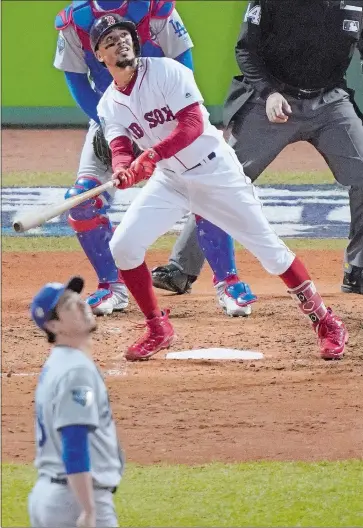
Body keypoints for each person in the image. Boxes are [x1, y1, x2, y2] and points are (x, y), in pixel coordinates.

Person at [90, 14, 348, 362]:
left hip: (216, 172)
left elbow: (194, 124)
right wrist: (124, 169)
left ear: (134, 42)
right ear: (99, 56)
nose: (120, 42)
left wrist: (151, 155)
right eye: (109, 41)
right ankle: (157, 327)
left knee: (271, 252)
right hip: (171, 181)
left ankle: (326, 322)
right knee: (123, 246)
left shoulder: (166, 71)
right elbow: (120, 147)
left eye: (124, 36)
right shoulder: (109, 103)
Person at [155, 0, 363, 297]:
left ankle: (359, 269)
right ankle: (181, 268)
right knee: (224, 177)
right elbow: (246, 50)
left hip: (330, 102)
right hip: (271, 100)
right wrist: (269, 92)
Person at [53, 0, 197, 316]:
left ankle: (228, 283)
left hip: (166, 116)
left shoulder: (156, 8)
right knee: (82, 202)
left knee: (209, 190)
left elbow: (183, 63)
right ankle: (112, 287)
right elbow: (77, 81)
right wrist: (109, 126)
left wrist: (169, 117)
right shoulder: (74, 21)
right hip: (112, 117)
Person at [28, 277, 123, 527]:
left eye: (78, 299)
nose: (82, 306)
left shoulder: (56, 364)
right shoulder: (76, 372)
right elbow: (74, 440)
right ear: (53, 325)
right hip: (73, 501)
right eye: (69, 305)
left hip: (53, 493)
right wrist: (89, 510)